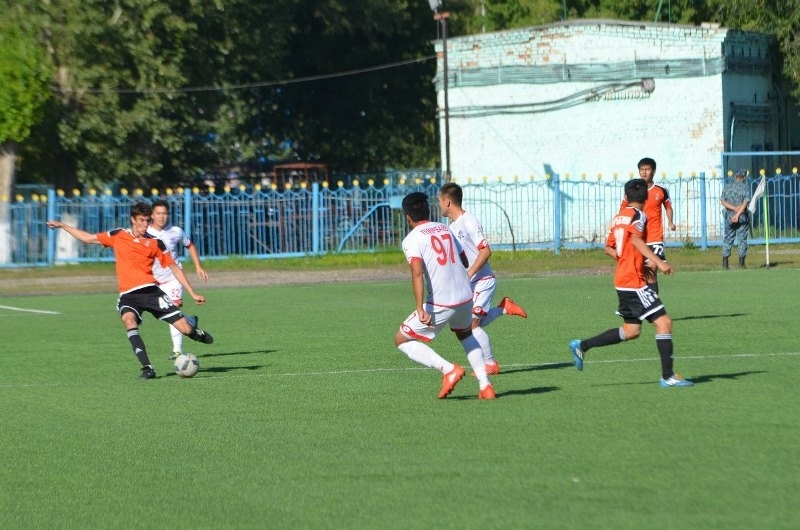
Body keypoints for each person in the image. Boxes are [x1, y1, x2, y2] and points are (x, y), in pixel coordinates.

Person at [47, 202, 214, 380]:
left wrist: (192, 293)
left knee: (185, 329)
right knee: (128, 320)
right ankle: (148, 368)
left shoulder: (156, 242)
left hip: (151, 292)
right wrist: (63, 226)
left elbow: (174, 268)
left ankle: (195, 332)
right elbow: (88, 238)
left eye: (147, 221)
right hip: (128, 295)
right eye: (141, 220)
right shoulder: (118, 235)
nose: (145, 225)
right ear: (133, 220)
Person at [569, 178, 693, 388]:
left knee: (631, 330)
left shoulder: (619, 217)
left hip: (622, 280)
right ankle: (668, 376)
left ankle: (582, 346)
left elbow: (608, 248)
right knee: (664, 323)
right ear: (646, 197)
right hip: (634, 282)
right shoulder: (638, 215)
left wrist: (629, 262)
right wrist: (659, 262)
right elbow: (635, 240)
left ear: (626, 197)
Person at [394, 191, 495, 399]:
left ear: (408, 217)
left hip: (442, 302)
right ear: (428, 211)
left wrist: (420, 308)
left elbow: (417, 273)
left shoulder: (411, 239)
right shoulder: (444, 228)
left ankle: (448, 370)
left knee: (401, 339)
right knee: (465, 334)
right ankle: (485, 386)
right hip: (465, 295)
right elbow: (464, 260)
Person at [437, 182, 527, 375]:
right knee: (469, 323)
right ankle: (504, 308)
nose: (439, 205)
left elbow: (485, 251)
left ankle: (490, 364)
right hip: (469, 283)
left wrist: (468, 274)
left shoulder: (469, 221)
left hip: (482, 280)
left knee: (472, 324)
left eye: (439, 201)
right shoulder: (452, 227)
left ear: (447, 202)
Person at [148, 199, 209, 359]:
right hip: (153, 281)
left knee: (174, 307)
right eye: (158, 213)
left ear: (168, 215)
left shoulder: (175, 231)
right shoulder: (145, 233)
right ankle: (190, 321)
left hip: (173, 278)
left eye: (164, 213)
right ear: (152, 215)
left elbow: (190, 245)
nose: (161, 217)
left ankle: (177, 350)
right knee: (162, 313)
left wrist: (198, 266)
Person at [620, 157, 675, 294]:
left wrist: (670, 221)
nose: (644, 172)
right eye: (642, 169)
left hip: (655, 237)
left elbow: (668, 207)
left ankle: (653, 302)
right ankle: (645, 300)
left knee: (651, 268)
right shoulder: (633, 190)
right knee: (640, 272)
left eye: (647, 169)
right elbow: (623, 210)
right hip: (638, 236)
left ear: (653, 171)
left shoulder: (661, 190)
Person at [720, 169, 751, 269]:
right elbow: (745, 202)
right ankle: (741, 264)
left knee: (728, 239)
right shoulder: (745, 187)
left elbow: (723, 201)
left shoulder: (728, 187)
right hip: (741, 217)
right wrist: (737, 214)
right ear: (744, 177)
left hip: (729, 217)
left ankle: (725, 264)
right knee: (742, 240)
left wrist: (733, 209)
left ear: (735, 176)